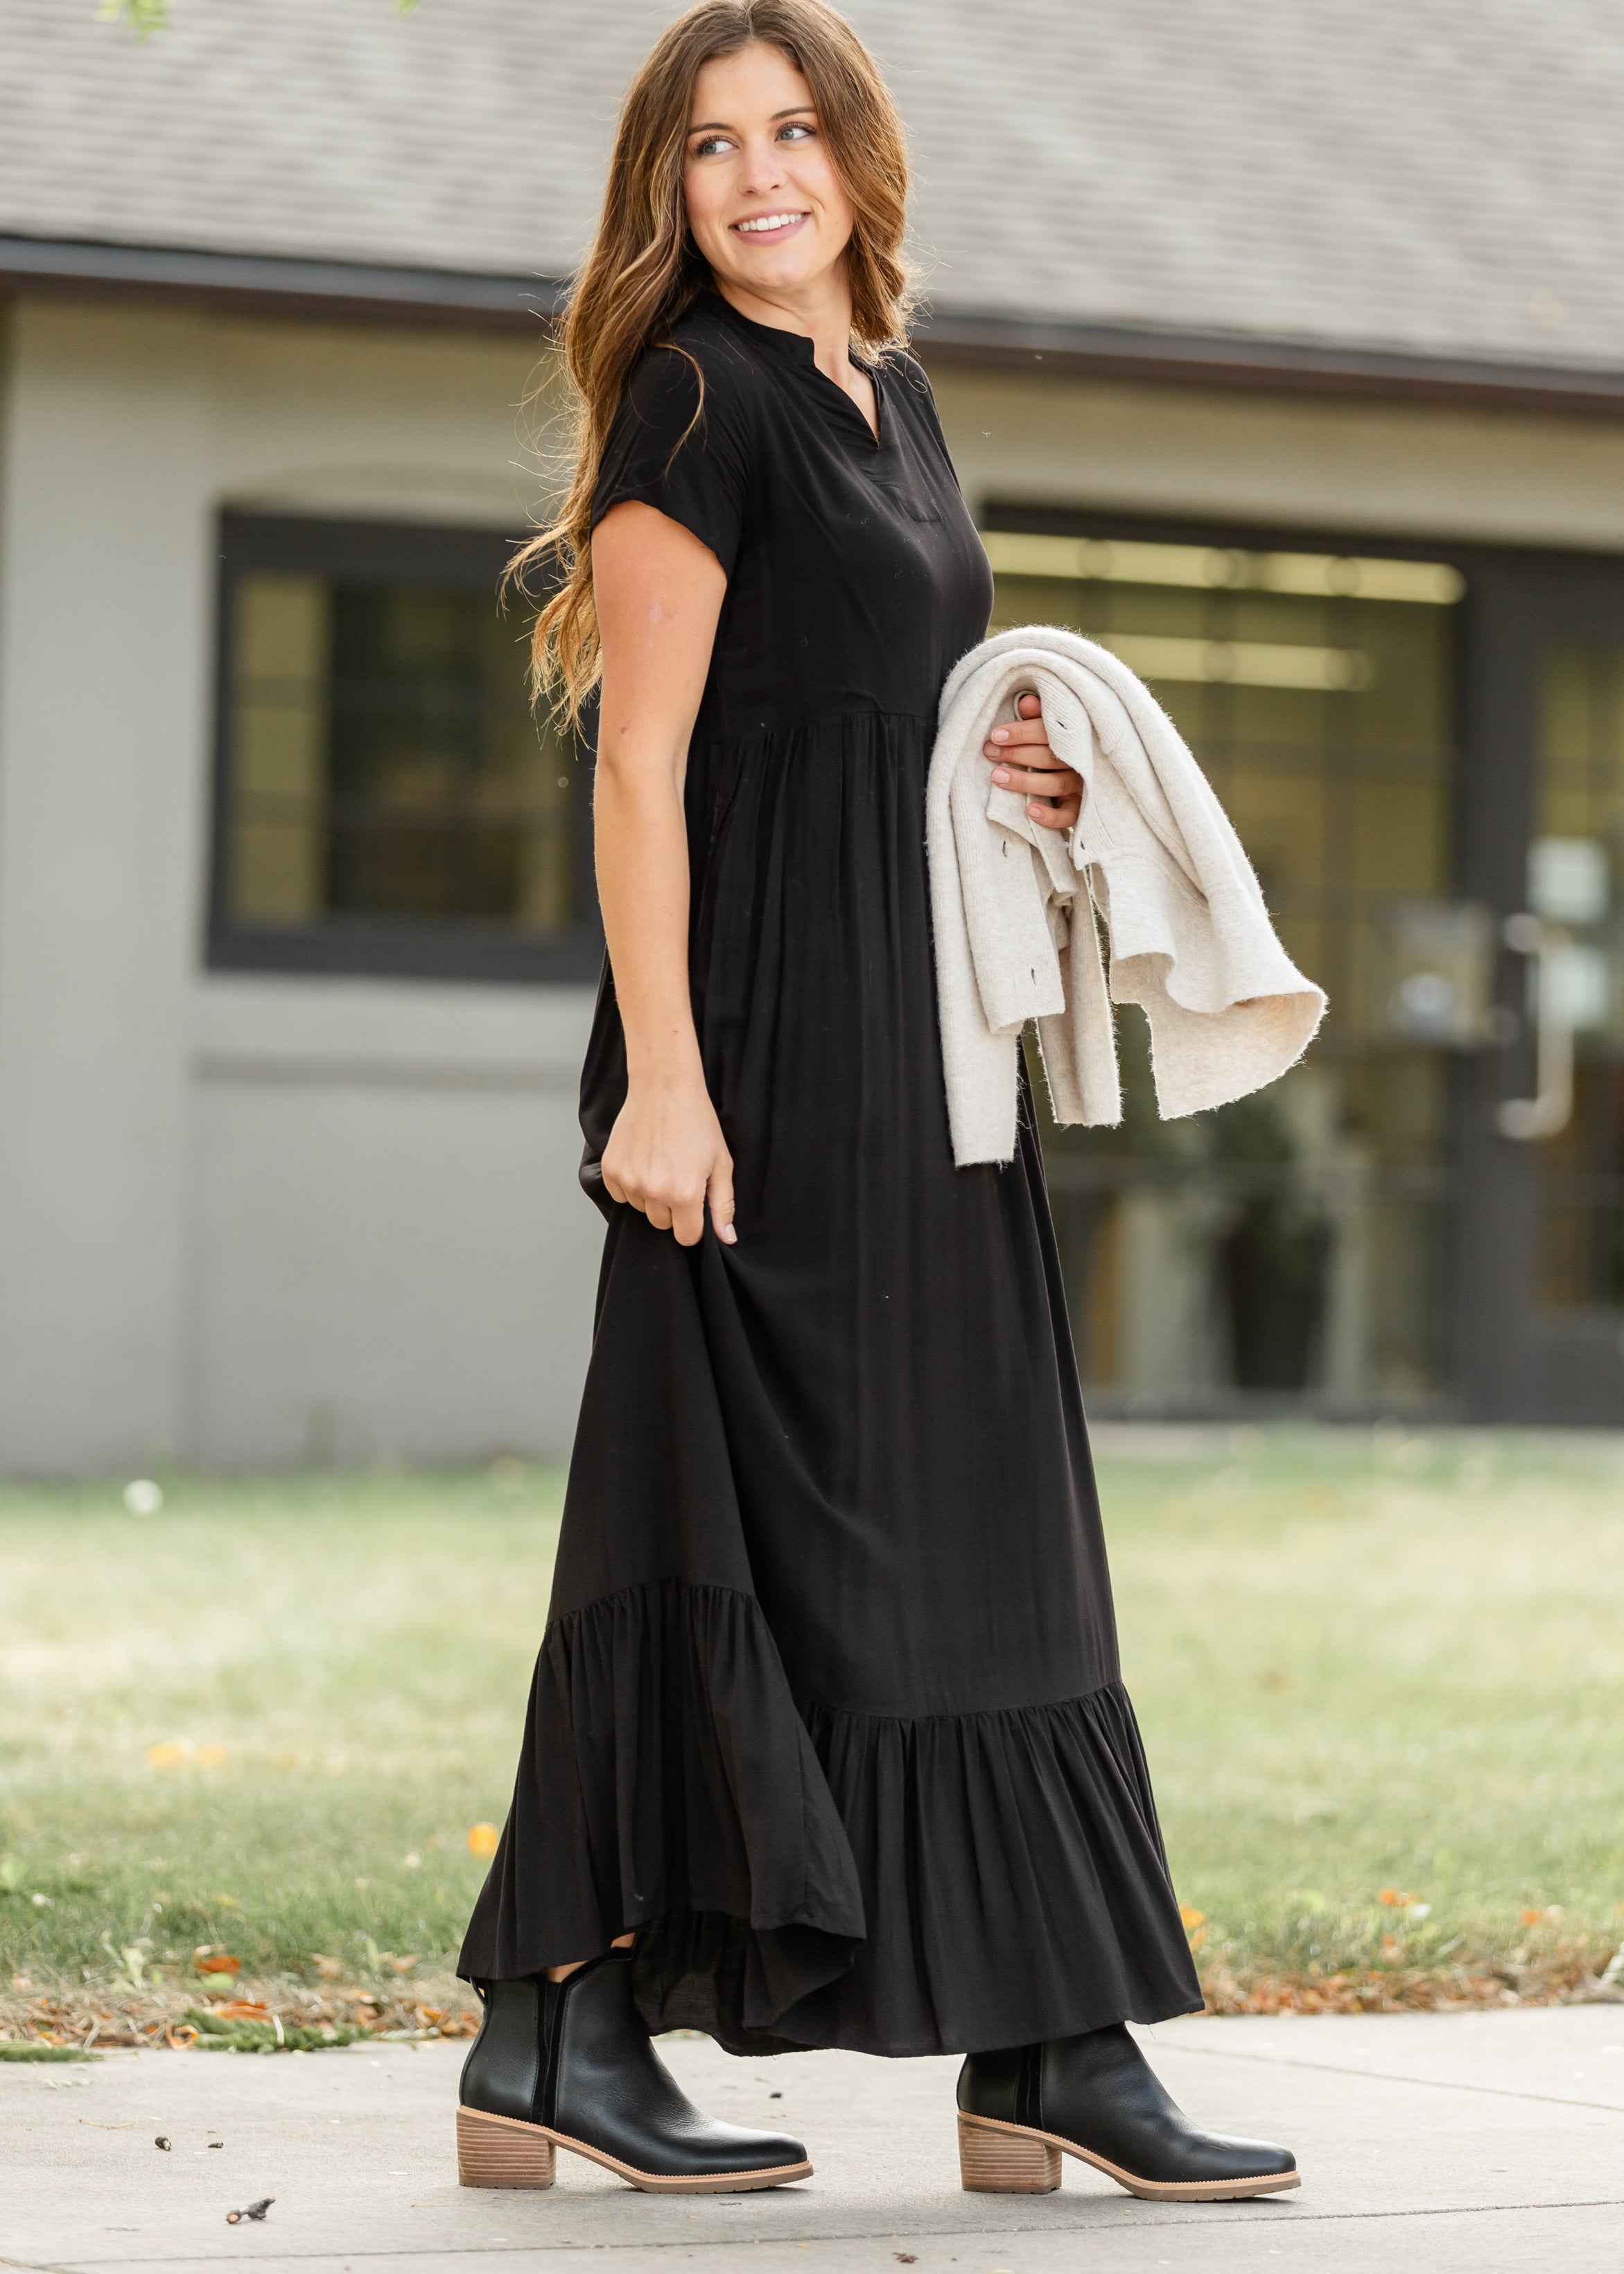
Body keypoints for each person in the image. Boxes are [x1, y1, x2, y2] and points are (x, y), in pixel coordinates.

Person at [455, 0, 1298, 2206]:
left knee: (988, 1500)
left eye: (793, 129)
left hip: (926, 1045)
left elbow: (870, 708)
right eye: (711, 144)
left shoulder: (888, 394)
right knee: (711, 1515)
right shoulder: (697, 397)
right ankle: (563, 2022)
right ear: (667, 191)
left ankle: (1049, 2037)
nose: (759, 175)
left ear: (857, 159)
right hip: (756, 1044)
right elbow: (643, 765)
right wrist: (664, 1080)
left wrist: (1020, 768)